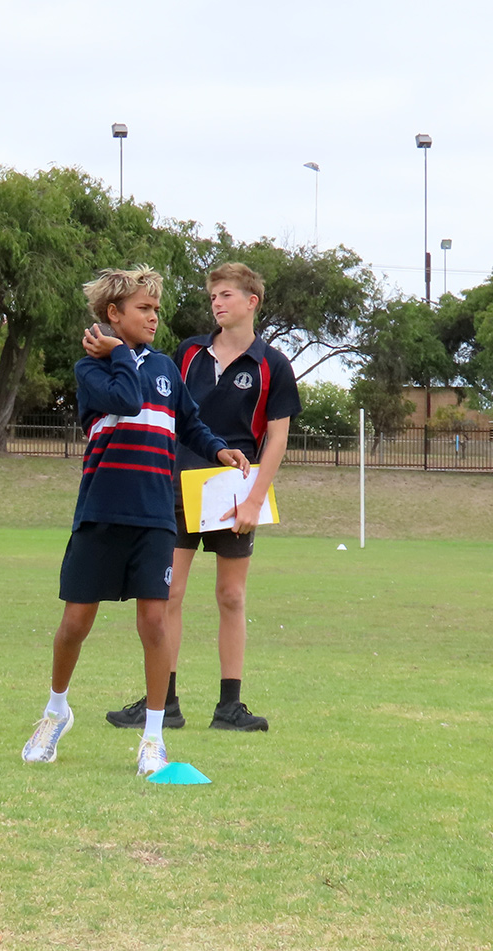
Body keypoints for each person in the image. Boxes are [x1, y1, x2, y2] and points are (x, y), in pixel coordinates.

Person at [21, 266, 245, 776]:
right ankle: (56, 712)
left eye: (156, 309)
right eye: (144, 308)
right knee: (74, 624)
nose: (153, 317)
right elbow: (126, 398)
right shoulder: (91, 368)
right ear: (113, 313)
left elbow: (189, 422)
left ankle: (153, 737)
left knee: (154, 623)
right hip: (100, 513)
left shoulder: (165, 367)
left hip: (154, 518)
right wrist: (118, 352)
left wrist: (219, 449)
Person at [105, 263, 300, 734]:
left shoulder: (273, 365)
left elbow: (277, 439)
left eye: (226, 294)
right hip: (176, 485)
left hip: (235, 491)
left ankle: (230, 707)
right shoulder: (189, 352)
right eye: (213, 296)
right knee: (168, 592)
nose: (217, 303)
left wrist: (254, 501)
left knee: (231, 596)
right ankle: (164, 703)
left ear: (251, 301)